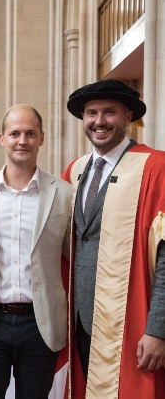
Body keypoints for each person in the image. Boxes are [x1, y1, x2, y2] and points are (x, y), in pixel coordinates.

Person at [0, 104, 73, 398]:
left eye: (30, 133)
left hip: (41, 323)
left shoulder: (63, 192)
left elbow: (75, 253)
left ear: (41, 138)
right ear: (2, 138)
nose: (22, 140)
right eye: (15, 134)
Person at [62, 79, 165, 398]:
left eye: (110, 112)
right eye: (91, 113)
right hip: (80, 318)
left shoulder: (155, 166)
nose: (99, 121)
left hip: (131, 319)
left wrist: (158, 329)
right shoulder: (76, 170)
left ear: (129, 115)